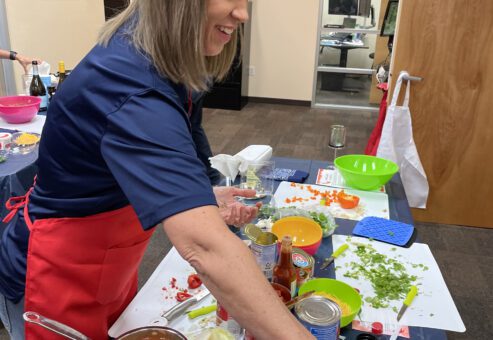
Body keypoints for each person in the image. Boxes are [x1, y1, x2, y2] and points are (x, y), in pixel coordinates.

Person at [0, 1, 312, 339]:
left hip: (112, 261)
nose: (243, 14)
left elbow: (186, 136)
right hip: (55, 273)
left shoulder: (173, 60)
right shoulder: (128, 88)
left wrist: (202, 189)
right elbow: (206, 248)